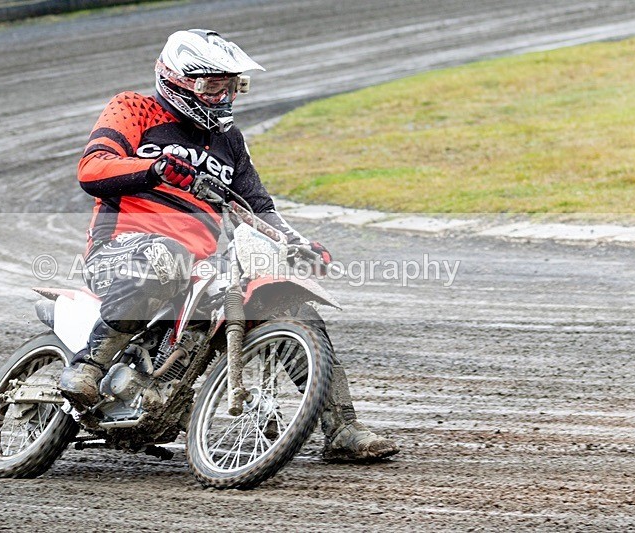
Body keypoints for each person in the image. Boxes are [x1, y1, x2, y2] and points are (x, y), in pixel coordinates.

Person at [59, 29, 399, 462]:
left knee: (292, 308)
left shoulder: (229, 141)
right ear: (178, 79)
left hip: (195, 266)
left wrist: (300, 245)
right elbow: (92, 168)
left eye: (231, 85)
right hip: (119, 250)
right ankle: (88, 366)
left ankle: (343, 428)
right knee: (167, 256)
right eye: (212, 84)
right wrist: (155, 168)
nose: (223, 95)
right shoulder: (134, 108)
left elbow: (257, 207)